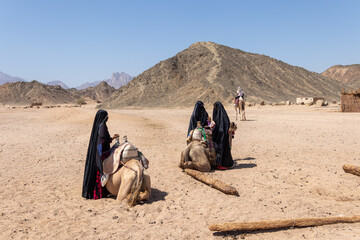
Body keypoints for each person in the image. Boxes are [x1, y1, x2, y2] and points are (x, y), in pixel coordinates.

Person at [82, 109, 119, 199]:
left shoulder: (99, 125)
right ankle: (100, 192)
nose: (108, 118)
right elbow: (102, 139)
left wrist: (112, 138)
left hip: (100, 151)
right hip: (101, 152)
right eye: (106, 116)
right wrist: (101, 154)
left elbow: (104, 139)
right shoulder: (102, 126)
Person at [212, 101, 234, 169]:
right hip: (224, 136)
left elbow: (216, 126)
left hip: (220, 136)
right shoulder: (225, 117)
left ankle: (220, 164)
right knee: (225, 149)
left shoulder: (217, 117)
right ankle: (226, 164)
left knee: (219, 149)